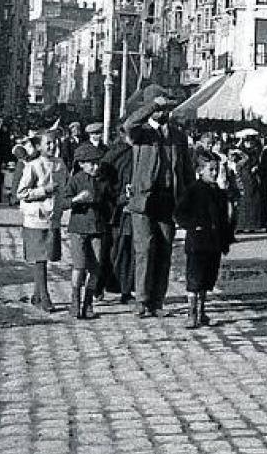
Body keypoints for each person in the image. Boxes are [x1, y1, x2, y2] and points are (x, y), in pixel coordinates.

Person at [123, 90, 195, 318]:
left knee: (164, 250)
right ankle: (141, 300)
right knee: (144, 249)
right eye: (160, 109)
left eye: (166, 109)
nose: (163, 113)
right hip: (144, 200)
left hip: (168, 199)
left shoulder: (178, 135)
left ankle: (157, 301)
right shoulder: (141, 133)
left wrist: (190, 199)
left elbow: (186, 169)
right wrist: (152, 105)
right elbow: (129, 124)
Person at [174, 152, 237, 329]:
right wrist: (194, 225)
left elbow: (224, 218)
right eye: (211, 170)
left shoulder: (219, 192)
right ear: (200, 171)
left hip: (214, 243)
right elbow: (179, 213)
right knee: (195, 279)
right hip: (198, 243)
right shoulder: (193, 190)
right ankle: (191, 313)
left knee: (208, 279)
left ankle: (202, 311)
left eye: (217, 170)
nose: (215, 173)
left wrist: (226, 239)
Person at [16, 132, 61, 313]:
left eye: (54, 142)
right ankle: (45, 297)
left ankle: (36, 295)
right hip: (35, 218)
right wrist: (44, 190)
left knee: (47, 256)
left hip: (52, 217)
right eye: (47, 143)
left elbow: (64, 187)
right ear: (39, 146)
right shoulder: (33, 166)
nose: (51, 146)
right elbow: (21, 192)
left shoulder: (60, 164)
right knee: (40, 258)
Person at [63, 142, 108, 320]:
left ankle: (88, 303)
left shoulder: (102, 180)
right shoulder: (76, 179)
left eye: (98, 163)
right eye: (92, 164)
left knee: (96, 268)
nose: (96, 167)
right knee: (79, 266)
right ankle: (75, 302)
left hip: (97, 228)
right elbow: (63, 203)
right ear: (81, 163)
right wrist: (77, 199)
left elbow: (109, 200)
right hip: (78, 229)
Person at [100, 128, 136, 305]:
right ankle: (98, 286)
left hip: (133, 209)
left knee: (128, 250)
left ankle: (126, 290)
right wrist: (119, 197)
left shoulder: (140, 151)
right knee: (110, 249)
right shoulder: (114, 155)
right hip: (114, 210)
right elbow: (103, 183)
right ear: (122, 134)